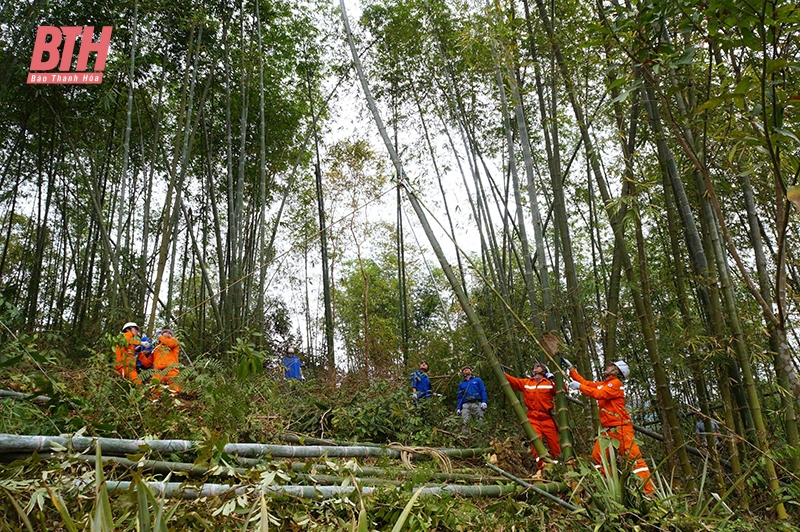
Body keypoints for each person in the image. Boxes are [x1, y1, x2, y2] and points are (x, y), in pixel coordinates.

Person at [562, 357, 654, 494]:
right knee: (597, 457)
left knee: (633, 458)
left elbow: (599, 394)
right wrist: (571, 370)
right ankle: (613, 484)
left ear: (617, 371)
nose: (608, 366)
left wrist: (579, 387)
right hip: (608, 429)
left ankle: (648, 491)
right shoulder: (605, 384)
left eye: (612, 366)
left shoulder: (615, 384)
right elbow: (587, 383)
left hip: (621, 427)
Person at [505, 362, 561, 471]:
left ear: (544, 371)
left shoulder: (549, 382)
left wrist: (553, 379)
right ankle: (542, 469)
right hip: (533, 418)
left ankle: (559, 468)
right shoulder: (527, 382)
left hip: (547, 418)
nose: (535, 366)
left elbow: (562, 389)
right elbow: (513, 381)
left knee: (555, 445)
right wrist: (503, 373)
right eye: (534, 366)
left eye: (539, 366)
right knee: (536, 445)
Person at [456, 366, 487, 434]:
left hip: (477, 403)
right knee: (465, 421)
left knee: (480, 420)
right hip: (466, 405)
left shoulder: (477, 380)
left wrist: (484, 401)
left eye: (467, 369)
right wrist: (458, 408)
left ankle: (481, 436)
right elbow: (460, 397)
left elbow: (483, 391)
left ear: (471, 371)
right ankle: (465, 437)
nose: (465, 370)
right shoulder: (461, 384)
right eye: (464, 370)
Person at [152, 328, 181, 393]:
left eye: (169, 333)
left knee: (174, 391)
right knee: (154, 391)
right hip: (158, 372)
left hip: (171, 370)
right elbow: (149, 361)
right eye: (165, 332)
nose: (167, 333)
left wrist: (160, 337)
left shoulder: (174, 341)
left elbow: (169, 344)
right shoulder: (157, 347)